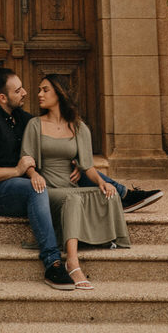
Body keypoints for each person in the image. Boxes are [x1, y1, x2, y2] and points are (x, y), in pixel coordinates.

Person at [0, 66, 75, 290]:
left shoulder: (22, 118)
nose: (25, 92)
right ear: (2, 97)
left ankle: (120, 194)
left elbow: (51, 141)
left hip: (18, 184)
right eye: (18, 91)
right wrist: (16, 171)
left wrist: (77, 161)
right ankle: (52, 263)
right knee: (34, 189)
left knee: (70, 167)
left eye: (23, 88)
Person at [20, 73, 129, 289]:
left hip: (70, 189)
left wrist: (101, 183)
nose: (39, 94)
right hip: (46, 191)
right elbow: (26, 159)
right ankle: (72, 262)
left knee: (108, 194)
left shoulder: (79, 127)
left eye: (45, 90)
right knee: (72, 199)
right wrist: (34, 174)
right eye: (39, 90)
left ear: (59, 93)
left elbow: (87, 166)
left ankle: (97, 238)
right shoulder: (35, 124)